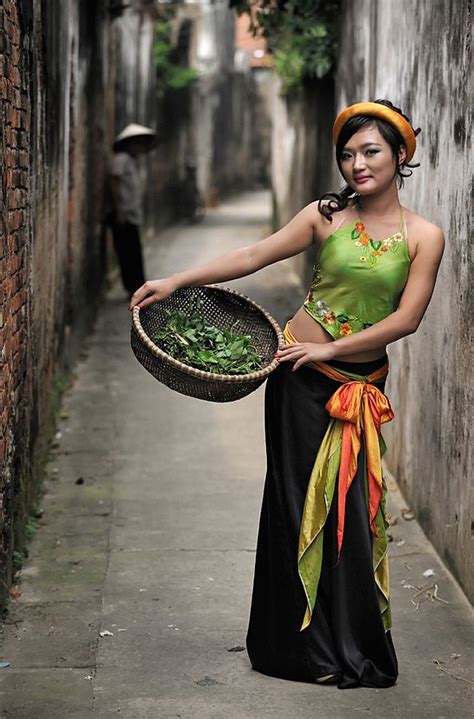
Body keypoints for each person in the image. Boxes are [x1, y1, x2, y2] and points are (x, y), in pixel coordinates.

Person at [128, 100, 444, 688]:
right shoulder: (326, 216)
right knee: (293, 505)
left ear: (401, 155)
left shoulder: (425, 236)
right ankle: (291, 649)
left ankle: (348, 646)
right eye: (348, 155)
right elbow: (255, 254)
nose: (357, 165)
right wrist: (176, 279)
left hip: (355, 388)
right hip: (295, 383)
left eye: (371, 151)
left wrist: (329, 350)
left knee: (350, 514)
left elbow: (407, 319)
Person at [109, 123, 157, 297]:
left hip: (132, 215)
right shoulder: (121, 158)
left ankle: (138, 287)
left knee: (134, 252)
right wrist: (120, 210)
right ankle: (133, 288)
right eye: (138, 143)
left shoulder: (131, 160)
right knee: (127, 253)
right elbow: (115, 182)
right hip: (124, 215)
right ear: (129, 143)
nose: (141, 147)